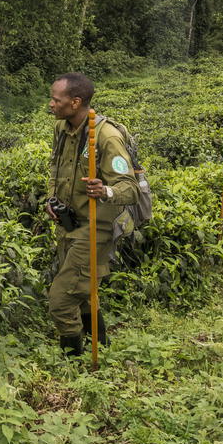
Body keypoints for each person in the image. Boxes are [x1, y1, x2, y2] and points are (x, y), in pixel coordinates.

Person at [45, 72, 139, 356]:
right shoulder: (62, 128)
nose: (50, 104)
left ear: (75, 102)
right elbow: (54, 169)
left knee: (61, 301)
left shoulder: (106, 137)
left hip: (96, 227)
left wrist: (106, 191)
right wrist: (51, 199)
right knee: (83, 292)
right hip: (67, 223)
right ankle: (100, 344)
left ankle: (73, 359)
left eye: (55, 99)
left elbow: (130, 188)